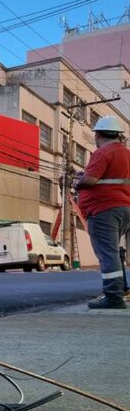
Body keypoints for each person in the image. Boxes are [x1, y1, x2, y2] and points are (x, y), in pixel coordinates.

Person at [74, 116, 130, 309]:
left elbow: (89, 181)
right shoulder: (126, 153)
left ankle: (114, 296)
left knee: (108, 254)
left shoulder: (103, 153)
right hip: (123, 208)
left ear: (97, 135)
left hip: (104, 210)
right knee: (114, 252)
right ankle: (120, 289)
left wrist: (78, 182)